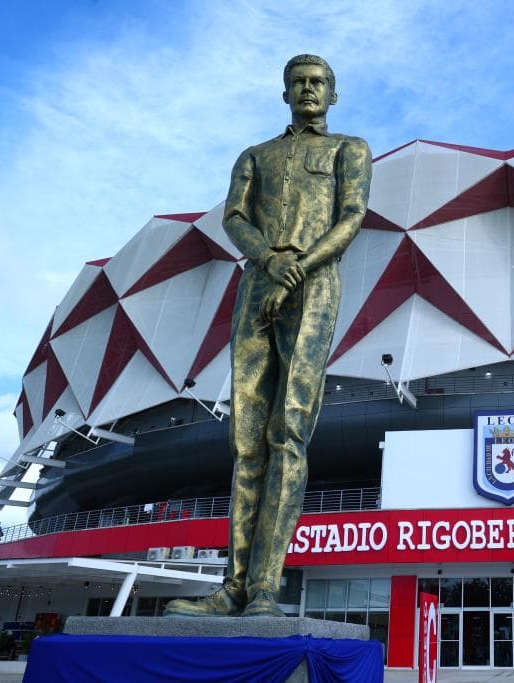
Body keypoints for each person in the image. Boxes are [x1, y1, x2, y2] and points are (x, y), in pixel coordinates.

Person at [164, 54, 371, 618]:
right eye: (298, 82)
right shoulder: (255, 155)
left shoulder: (348, 149)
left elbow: (351, 217)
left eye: (319, 82)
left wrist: (297, 266)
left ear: (334, 93)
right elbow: (234, 218)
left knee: (289, 431)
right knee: (246, 438)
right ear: (284, 93)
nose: (308, 89)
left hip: (314, 287)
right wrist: (267, 257)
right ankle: (232, 584)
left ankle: (264, 587)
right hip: (256, 290)